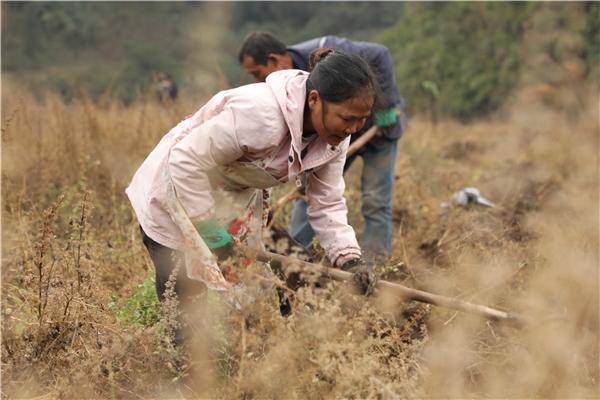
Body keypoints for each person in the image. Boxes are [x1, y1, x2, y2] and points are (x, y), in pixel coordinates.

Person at [126, 49, 378, 342]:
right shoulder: (261, 116)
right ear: (314, 100)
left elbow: (328, 201)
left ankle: (294, 350)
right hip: (175, 190)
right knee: (187, 306)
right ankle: (186, 379)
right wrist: (217, 239)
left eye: (362, 120)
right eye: (348, 118)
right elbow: (184, 162)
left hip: (233, 197)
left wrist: (349, 259)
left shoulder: (335, 138)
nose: (354, 129)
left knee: (298, 266)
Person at [238, 32, 406, 260]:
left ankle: (372, 267)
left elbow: (381, 54)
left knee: (376, 201)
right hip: (331, 140)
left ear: (273, 61)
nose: (258, 82)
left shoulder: (331, 54)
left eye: (257, 74)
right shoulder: (290, 95)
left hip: (380, 132)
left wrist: (386, 104)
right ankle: (296, 257)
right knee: (311, 195)